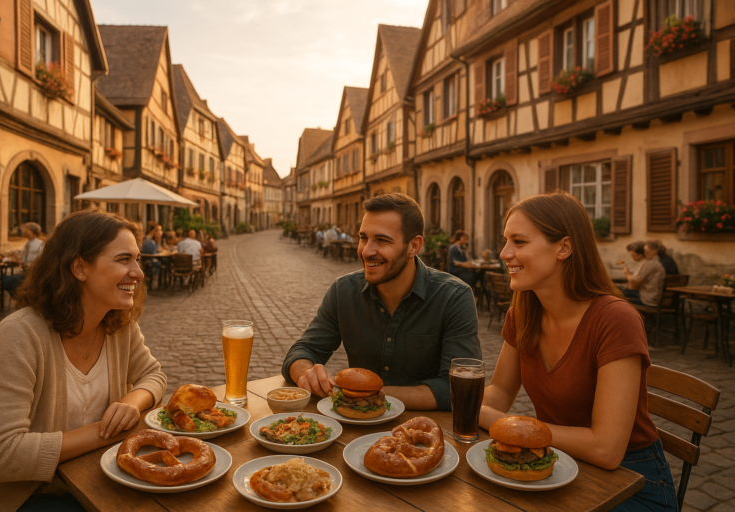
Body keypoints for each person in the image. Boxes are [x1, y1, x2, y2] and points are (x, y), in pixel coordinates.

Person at [481, 192, 675, 511]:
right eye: (505, 241)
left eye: (519, 241)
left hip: (631, 480)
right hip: (552, 463)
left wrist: (500, 422)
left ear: (564, 248)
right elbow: (501, 388)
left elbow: (606, 450)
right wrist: (472, 410)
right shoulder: (523, 313)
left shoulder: (615, 319)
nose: (504, 253)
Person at [0, 209, 167, 512]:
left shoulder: (118, 324)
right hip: (23, 498)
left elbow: (153, 375)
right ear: (79, 268)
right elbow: (0, 455)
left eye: (137, 259)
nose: (138, 272)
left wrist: (133, 402)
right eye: (124, 259)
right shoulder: (19, 335)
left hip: (93, 480)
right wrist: (106, 431)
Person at [282, 193, 481, 411]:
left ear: (414, 246)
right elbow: (304, 349)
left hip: (427, 432)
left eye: (382, 240)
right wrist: (306, 374)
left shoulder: (453, 297)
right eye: (363, 237)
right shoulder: (343, 291)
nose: (366, 251)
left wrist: (368, 395)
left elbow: (457, 389)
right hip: (356, 432)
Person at [0, 222, 44, 293]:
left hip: (30, 275)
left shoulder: (38, 244)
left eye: (26, 229)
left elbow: (30, 261)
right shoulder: (29, 243)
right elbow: (22, 258)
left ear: (31, 231)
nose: (24, 231)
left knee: (5, 281)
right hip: (26, 272)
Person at [622, 241, 666, 307]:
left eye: (646, 251)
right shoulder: (657, 262)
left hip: (647, 299)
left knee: (618, 295)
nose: (644, 253)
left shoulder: (650, 263)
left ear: (654, 251)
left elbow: (634, 284)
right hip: (653, 297)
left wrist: (627, 273)